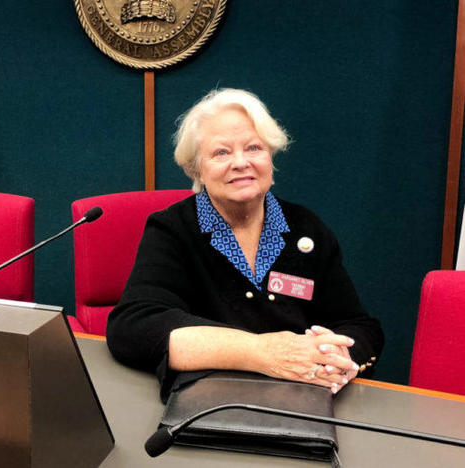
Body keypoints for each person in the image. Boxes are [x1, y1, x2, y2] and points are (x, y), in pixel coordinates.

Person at [106, 88, 384, 400]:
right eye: (221, 153)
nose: (241, 163)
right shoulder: (173, 229)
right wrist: (261, 352)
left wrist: (338, 355)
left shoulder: (308, 229)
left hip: (300, 396)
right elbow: (132, 327)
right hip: (211, 399)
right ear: (196, 169)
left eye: (253, 148)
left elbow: (359, 326)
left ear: (270, 157)